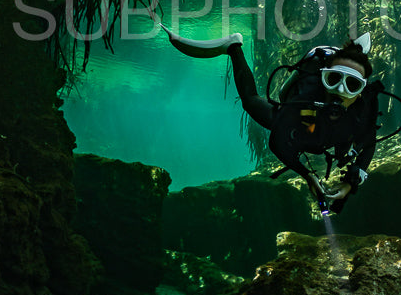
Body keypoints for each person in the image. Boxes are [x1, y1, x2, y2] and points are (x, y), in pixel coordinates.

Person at [161, 26, 381, 212]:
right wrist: (306, 175)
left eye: (352, 85)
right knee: (250, 101)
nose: (340, 91)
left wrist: (349, 185)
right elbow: (277, 143)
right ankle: (233, 47)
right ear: (322, 78)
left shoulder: (365, 108)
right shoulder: (303, 101)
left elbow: (368, 144)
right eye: (333, 79)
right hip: (301, 110)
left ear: (361, 92)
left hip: (326, 126)